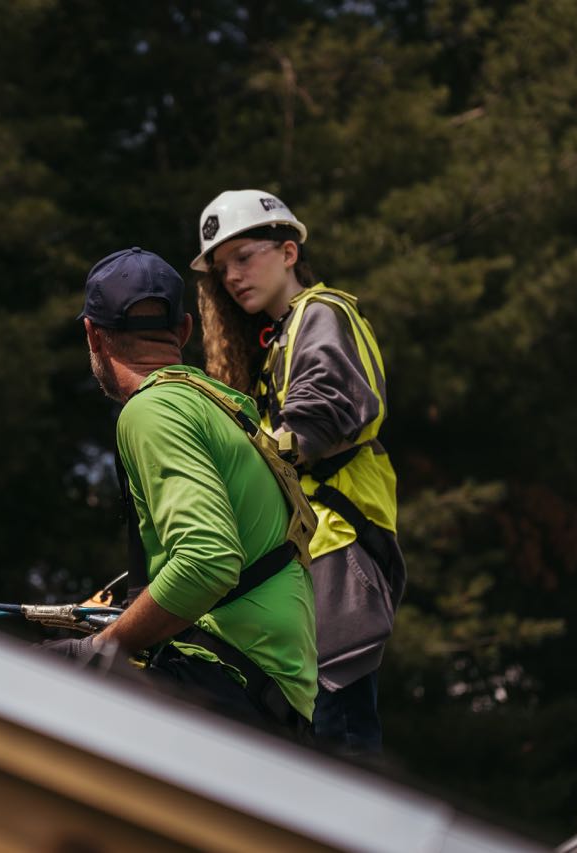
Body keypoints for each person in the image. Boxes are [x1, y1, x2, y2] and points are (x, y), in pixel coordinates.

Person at [48, 246, 319, 742]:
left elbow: (207, 561)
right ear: (186, 330)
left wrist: (101, 647)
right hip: (267, 698)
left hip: (225, 682)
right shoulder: (219, 406)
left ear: (92, 334)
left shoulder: (152, 411)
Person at [191, 190, 406, 755]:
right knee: (313, 750)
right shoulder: (278, 340)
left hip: (335, 554)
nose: (233, 277)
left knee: (341, 750)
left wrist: (229, 467)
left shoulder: (323, 312)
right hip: (306, 561)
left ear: (288, 251)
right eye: (221, 269)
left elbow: (326, 412)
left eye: (245, 256)